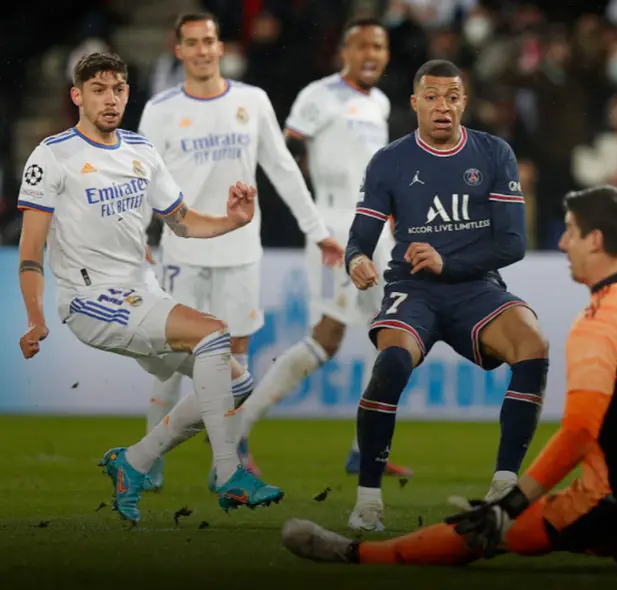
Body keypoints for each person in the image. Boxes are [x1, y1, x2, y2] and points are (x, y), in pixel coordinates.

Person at [280, 185, 617, 566]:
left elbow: (577, 433)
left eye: (571, 233)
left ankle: (357, 555)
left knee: (486, 534)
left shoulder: (600, 324)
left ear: (596, 240)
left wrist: (512, 503)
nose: (562, 244)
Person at [17, 51, 285, 523]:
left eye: (118, 88)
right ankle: (228, 475)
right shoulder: (53, 155)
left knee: (237, 380)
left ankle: (134, 462)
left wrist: (233, 220)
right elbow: (30, 252)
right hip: (90, 299)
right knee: (213, 333)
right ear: (77, 96)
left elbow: (180, 222)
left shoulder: (140, 150)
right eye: (98, 89)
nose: (110, 98)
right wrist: (36, 319)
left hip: (143, 292)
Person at [136, 12, 343, 491]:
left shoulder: (252, 100)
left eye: (210, 41)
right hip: (181, 252)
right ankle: (148, 460)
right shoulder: (161, 109)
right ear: (179, 50)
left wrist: (317, 230)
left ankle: (224, 466)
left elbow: (283, 169)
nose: (204, 50)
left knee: (237, 363)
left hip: (241, 252)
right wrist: (139, 239)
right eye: (194, 43)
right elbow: (140, 180)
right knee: (171, 360)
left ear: (221, 47)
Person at [342, 59, 550, 532]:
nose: (443, 107)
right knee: (392, 364)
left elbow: (512, 244)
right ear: (414, 103)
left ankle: (503, 484)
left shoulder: (493, 153)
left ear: (464, 103)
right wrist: (356, 259)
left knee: (533, 345)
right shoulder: (389, 161)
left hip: (475, 287)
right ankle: (369, 501)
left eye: (452, 97)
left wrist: (448, 262)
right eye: (432, 97)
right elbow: (361, 237)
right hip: (413, 289)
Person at [235, 17, 411, 479]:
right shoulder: (319, 95)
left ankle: (365, 448)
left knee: (395, 336)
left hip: (379, 233)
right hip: (337, 227)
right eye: (362, 46)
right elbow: (284, 153)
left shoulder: (379, 101)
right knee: (327, 337)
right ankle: (236, 431)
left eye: (379, 46)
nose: (372, 54)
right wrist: (311, 218)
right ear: (345, 52)